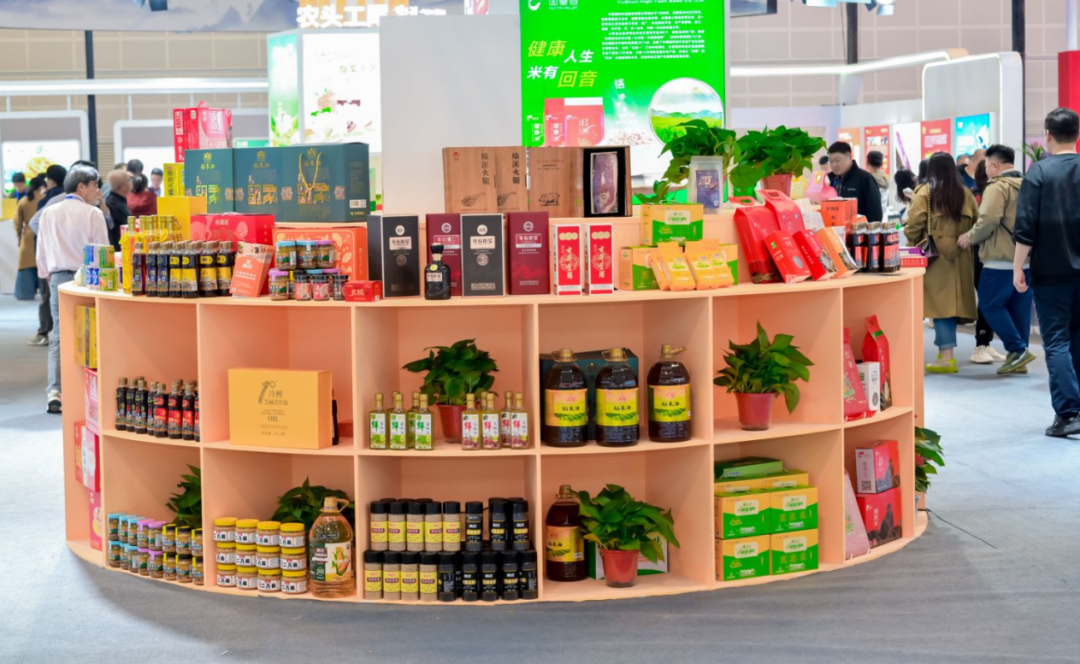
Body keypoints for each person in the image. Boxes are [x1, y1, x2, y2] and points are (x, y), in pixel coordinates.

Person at [1014, 108, 1080, 437]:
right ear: (1077, 134)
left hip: (1050, 273)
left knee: (1056, 341)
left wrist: (1018, 267)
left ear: (1048, 135)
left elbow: (1026, 227)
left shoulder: (1038, 172)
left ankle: (1068, 413)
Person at [36, 164, 108, 414]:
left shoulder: (49, 212)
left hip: (58, 277)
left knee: (59, 334)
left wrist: (46, 275)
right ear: (81, 186)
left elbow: (41, 249)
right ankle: (87, 389)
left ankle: (54, 391)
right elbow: (102, 251)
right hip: (88, 277)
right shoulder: (93, 213)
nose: (97, 191)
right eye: (95, 185)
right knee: (92, 332)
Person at [958, 144, 1033, 377]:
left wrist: (969, 237)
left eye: (987, 167)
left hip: (999, 259)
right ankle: (1018, 357)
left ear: (995, 165)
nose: (986, 171)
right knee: (1019, 310)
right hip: (1025, 259)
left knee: (989, 304)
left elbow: (988, 220)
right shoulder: (1029, 184)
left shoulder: (997, 186)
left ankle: (1017, 350)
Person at [904, 152, 980, 373]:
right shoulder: (965, 193)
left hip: (935, 255)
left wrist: (913, 242)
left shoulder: (925, 193)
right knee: (952, 303)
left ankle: (947, 357)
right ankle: (945, 353)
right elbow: (977, 221)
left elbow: (913, 225)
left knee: (939, 306)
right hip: (961, 253)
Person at [827, 142, 883, 222]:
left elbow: (875, 212)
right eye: (831, 161)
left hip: (860, 228)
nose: (834, 165)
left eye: (837, 160)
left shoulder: (865, 178)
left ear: (850, 157)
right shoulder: (831, 180)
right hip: (835, 227)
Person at [13, 174, 47, 303]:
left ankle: (25, 292)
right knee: (42, 263)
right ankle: (44, 291)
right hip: (42, 233)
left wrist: (18, 235)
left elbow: (17, 221)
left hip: (27, 234)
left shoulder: (23, 200)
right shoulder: (44, 198)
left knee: (26, 264)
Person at [104, 170, 132, 250]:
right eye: (128, 179)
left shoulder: (118, 200)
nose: (131, 182)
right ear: (122, 186)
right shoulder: (113, 204)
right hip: (120, 249)